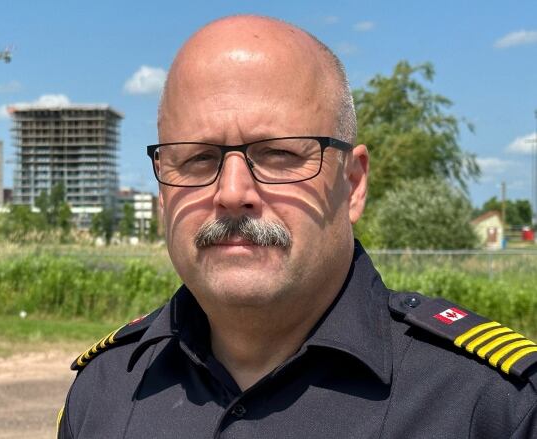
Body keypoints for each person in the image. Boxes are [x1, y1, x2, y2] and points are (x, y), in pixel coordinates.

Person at [57, 15, 537, 438]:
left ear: (352, 183)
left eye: (280, 154)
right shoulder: (104, 391)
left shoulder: (491, 409)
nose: (231, 193)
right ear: (162, 192)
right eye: (199, 158)